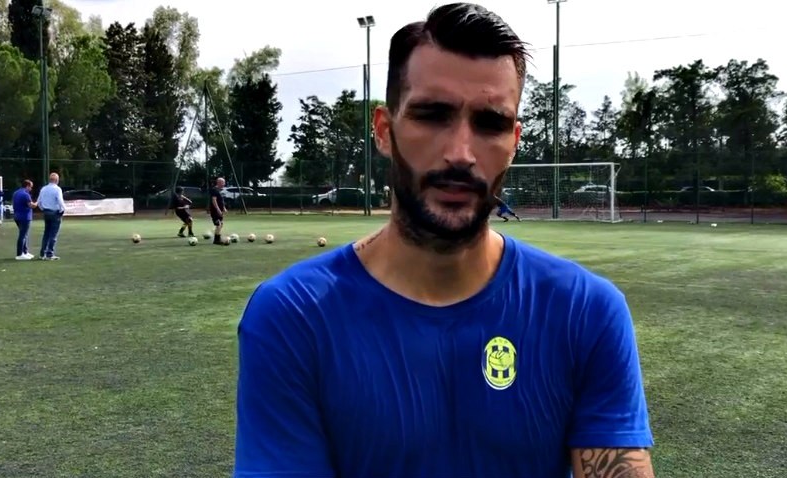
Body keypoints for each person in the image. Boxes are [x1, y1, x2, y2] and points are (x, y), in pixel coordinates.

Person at [234, 3, 655, 478]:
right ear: (384, 130)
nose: (460, 154)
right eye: (432, 116)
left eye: (490, 124)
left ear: (514, 141)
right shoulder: (293, 316)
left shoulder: (586, 310)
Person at [37, 172, 66, 261]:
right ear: (57, 180)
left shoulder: (43, 189)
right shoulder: (57, 189)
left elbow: (39, 202)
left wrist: (43, 209)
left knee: (46, 233)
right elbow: (60, 201)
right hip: (55, 213)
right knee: (53, 234)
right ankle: (50, 253)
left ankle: (43, 253)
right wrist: (63, 209)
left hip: (46, 212)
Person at [12, 179, 38, 260]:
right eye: (31, 187)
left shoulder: (16, 193)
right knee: (23, 235)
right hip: (25, 217)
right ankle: (19, 254)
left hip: (17, 216)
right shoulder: (26, 195)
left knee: (24, 234)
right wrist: (37, 203)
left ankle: (25, 252)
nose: (31, 189)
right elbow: (31, 205)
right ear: (27, 186)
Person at [208, 177, 227, 244]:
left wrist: (223, 207)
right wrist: (218, 210)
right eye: (223, 183)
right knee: (218, 224)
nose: (224, 184)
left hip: (219, 211)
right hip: (215, 211)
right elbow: (214, 200)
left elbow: (220, 200)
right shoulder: (214, 190)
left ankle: (218, 238)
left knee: (221, 224)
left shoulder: (218, 190)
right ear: (219, 182)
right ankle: (216, 240)